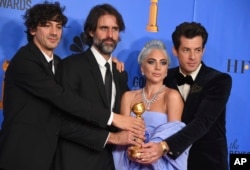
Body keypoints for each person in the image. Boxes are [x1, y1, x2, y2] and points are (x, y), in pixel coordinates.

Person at [0, 2, 144, 170]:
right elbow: (63, 99)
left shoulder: (58, 63)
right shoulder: (25, 61)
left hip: (48, 157)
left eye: (59, 26)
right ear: (33, 30)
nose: (54, 32)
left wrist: (105, 63)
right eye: (47, 26)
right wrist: (112, 118)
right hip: (21, 157)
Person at [53, 4, 145, 170]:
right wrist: (111, 138)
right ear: (90, 31)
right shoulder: (71, 67)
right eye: (104, 28)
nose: (110, 35)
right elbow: (60, 122)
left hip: (109, 163)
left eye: (115, 29)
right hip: (75, 163)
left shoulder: (120, 74)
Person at [135, 22, 232, 170]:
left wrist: (164, 146)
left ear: (203, 50)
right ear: (175, 50)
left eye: (198, 50)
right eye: (186, 50)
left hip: (207, 163)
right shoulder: (165, 77)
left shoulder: (219, 80)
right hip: (169, 164)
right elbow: (140, 101)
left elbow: (203, 122)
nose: (193, 57)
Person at [112, 40, 190, 170]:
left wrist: (153, 152)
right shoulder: (128, 97)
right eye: (151, 62)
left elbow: (175, 138)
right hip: (130, 165)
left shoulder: (172, 97)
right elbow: (122, 137)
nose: (158, 67)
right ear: (142, 68)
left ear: (166, 70)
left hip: (160, 165)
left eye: (163, 63)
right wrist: (130, 153)